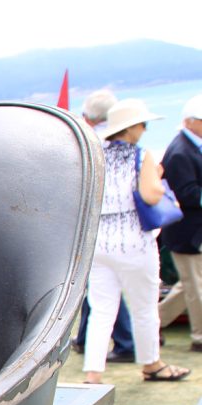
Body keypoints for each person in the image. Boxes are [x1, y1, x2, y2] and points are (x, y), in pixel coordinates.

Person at [83, 99, 188, 384]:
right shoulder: (141, 156)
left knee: (101, 310)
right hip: (134, 241)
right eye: (142, 124)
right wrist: (155, 176)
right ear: (131, 129)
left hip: (100, 241)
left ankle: (93, 373)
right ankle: (151, 363)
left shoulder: (96, 156)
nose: (144, 129)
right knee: (144, 307)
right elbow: (152, 195)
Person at [72, 89, 135, 360]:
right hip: (112, 227)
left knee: (101, 289)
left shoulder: (87, 145)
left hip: (94, 227)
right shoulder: (117, 146)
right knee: (99, 288)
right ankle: (92, 338)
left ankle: (124, 341)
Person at [161, 94, 202, 352]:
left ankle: (156, 320)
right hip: (186, 230)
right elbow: (186, 193)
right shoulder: (180, 151)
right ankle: (200, 336)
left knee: (189, 283)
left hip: (192, 229)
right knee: (195, 286)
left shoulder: (191, 147)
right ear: (189, 122)